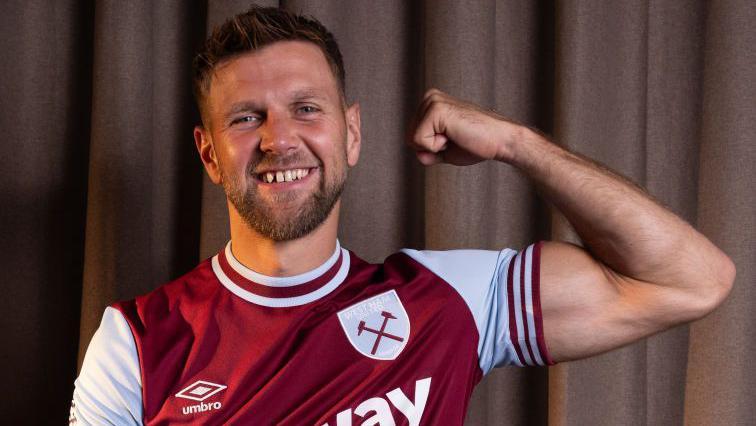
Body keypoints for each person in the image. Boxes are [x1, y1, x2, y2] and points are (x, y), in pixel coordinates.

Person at [69, 5, 735, 426]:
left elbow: (690, 279)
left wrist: (516, 143)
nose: (278, 139)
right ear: (210, 153)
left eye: (307, 108)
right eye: (248, 118)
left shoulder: (447, 302)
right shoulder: (134, 345)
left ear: (351, 134)